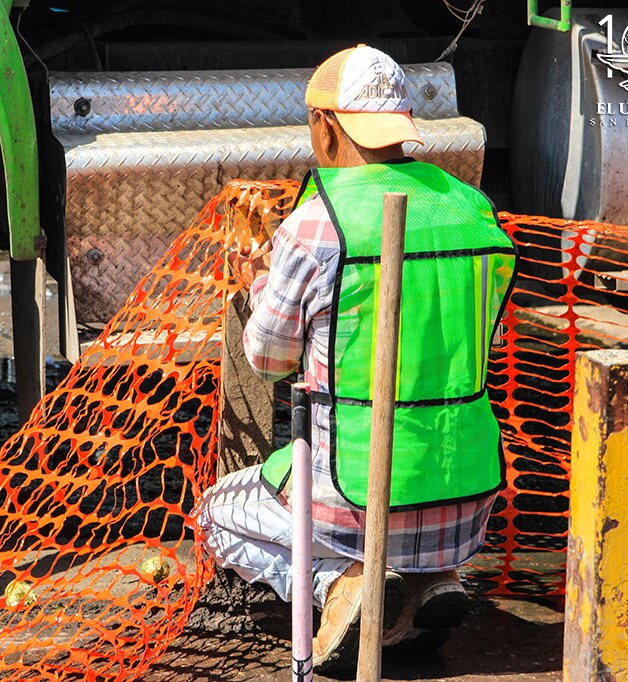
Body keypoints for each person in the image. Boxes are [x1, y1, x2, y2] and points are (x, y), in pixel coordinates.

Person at [197, 44, 517, 674]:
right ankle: (431, 580)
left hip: (352, 502)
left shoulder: (316, 226)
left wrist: (262, 285)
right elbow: (493, 338)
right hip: (467, 501)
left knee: (215, 515)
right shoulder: (475, 210)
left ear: (325, 126)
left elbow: (267, 358)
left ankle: (343, 585)